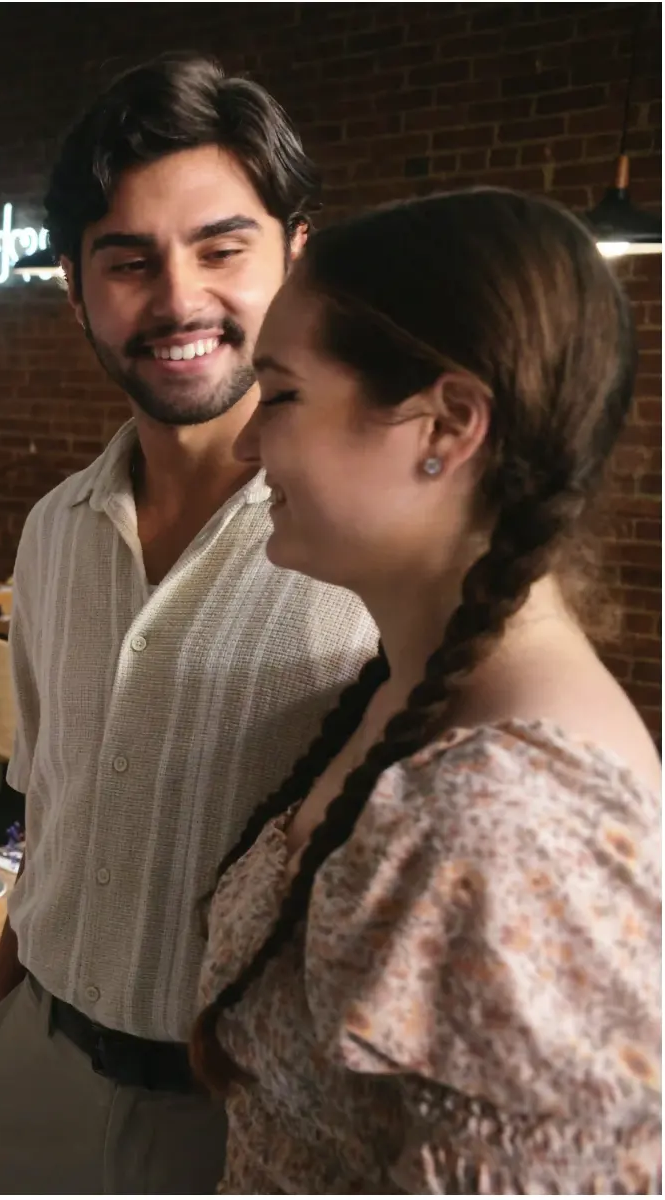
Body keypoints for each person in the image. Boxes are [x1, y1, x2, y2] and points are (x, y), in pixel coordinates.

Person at [0, 54, 380, 1194]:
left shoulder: (371, 543)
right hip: (34, 1072)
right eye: (129, 261)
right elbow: (49, 809)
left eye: (221, 247)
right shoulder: (53, 530)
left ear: (298, 253)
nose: (179, 297)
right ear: (78, 287)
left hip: (243, 1124)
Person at [191, 189, 661, 1192]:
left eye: (278, 395)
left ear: (445, 423)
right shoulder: (408, 697)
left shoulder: (511, 825)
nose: (243, 446)